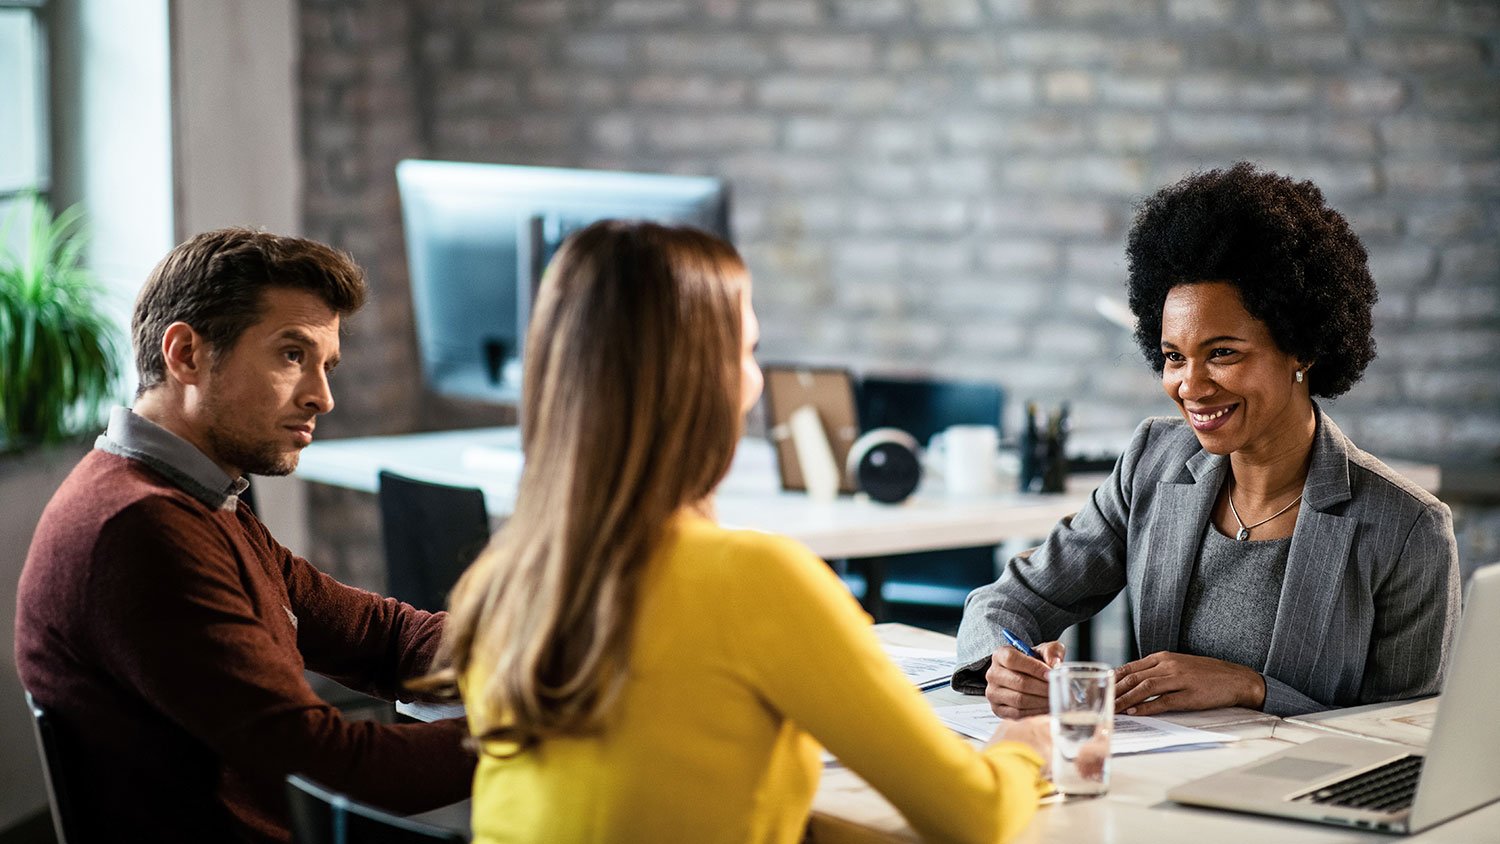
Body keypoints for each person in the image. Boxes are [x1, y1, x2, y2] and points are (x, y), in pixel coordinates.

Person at [423, 220, 1050, 844]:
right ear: (698, 379)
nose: (754, 383)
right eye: (747, 352)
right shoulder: (753, 578)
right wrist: (1026, 745)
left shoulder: (505, 576)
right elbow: (977, 814)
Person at [15, 229, 475, 843]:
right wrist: (532, 727)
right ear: (186, 356)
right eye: (292, 355)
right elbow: (330, 764)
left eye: (326, 365)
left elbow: (379, 636)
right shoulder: (140, 528)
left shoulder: (196, 499)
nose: (323, 397)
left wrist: (539, 654)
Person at [956, 162, 1460, 719]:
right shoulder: (1153, 462)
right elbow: (1007, 601)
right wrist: (1003, 662)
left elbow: (1406, 737)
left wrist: (1253, 688)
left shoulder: (1407, 529)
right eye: (1174, 356)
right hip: (1153, 788)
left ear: (1302, 350)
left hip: (1291, 798)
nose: (1189, 387)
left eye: (1222, 353)